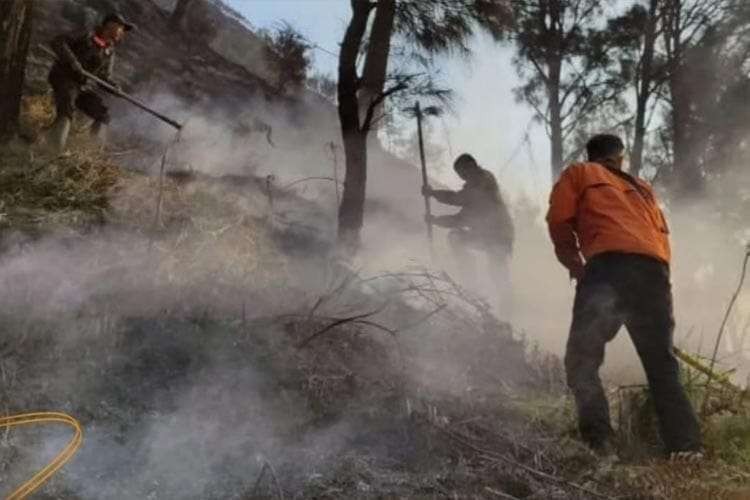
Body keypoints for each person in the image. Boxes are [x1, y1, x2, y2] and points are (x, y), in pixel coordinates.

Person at [546, 133, 702, 458]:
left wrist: (576, 265)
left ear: (592, 157)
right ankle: (687, 448)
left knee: (582, 360)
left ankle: (600, 444)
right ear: (619, 158)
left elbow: (558, 220)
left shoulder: (580, 173)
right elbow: (660, 238)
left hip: (608, 268)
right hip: (653, 273)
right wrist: (658, 284)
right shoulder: (643, 189)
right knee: (661, 364)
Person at [422, 154, 514, 301]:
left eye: (464, 173)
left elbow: (458, 199)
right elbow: (459, 219)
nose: (463, 177)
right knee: (456, 237)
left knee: (497, 270)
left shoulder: (484, 181)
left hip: (498, 235)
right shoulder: (474, 193)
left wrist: (433, 193)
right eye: (461, 175)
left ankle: (508, 303)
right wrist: (435, 220)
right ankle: (470, 281)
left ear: (472, 166)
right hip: (487, 235)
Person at [47, 12, 135, 153]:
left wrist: (115, 88)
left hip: (80, 86)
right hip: (63, 77)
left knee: (102, 114)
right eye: (121, 28)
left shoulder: (109, 51)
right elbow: (57, 42)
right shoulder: (87, 33)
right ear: (110, 25)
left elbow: (103, 78)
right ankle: (53, 151)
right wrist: (73, 62)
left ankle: (91, 153)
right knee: (67, 107)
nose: (122, 33)